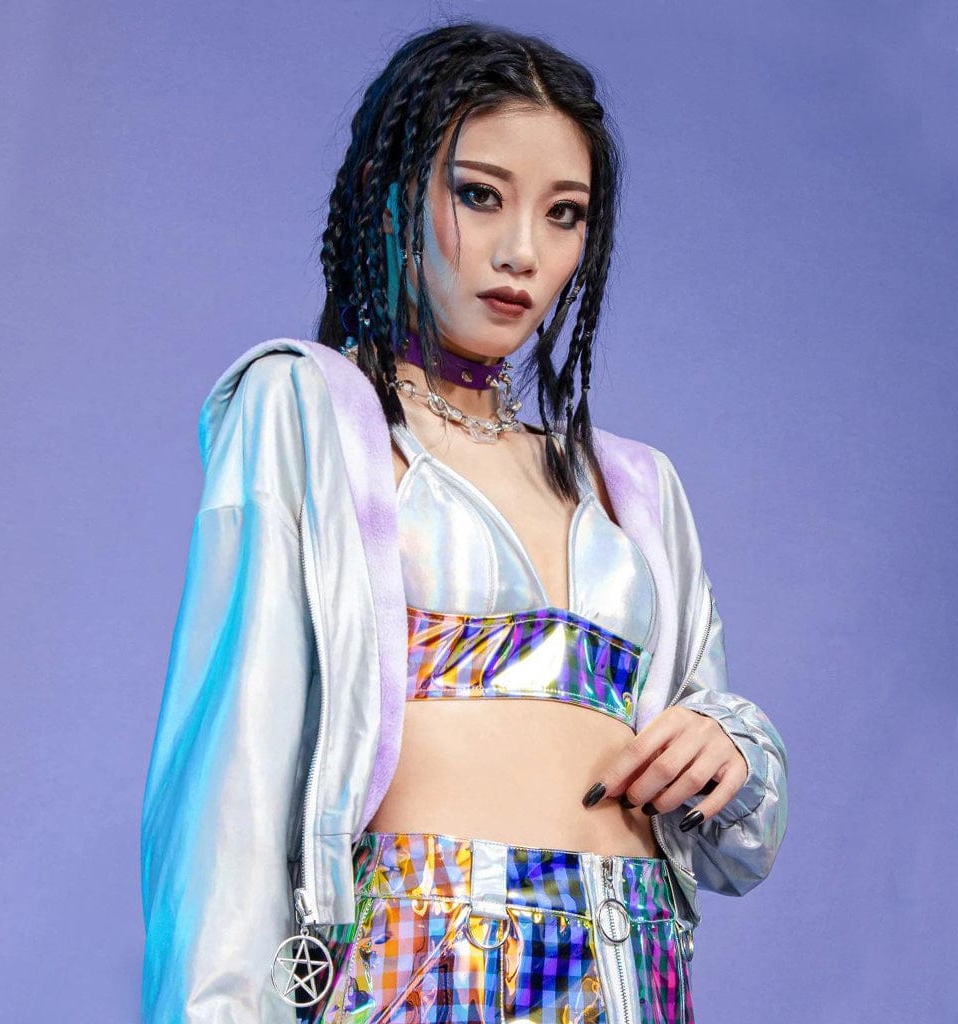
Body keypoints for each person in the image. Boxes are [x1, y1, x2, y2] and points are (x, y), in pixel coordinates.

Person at [139, 21, 789, 1024]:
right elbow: (232, 767)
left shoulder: (636, 488)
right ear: (387, 193)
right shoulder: (307, 412)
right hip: (419, 966)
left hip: (638, 970)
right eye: (480, 194)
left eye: (563, 214)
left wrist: (730, 747)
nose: (522, 251)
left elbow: (736, 849)